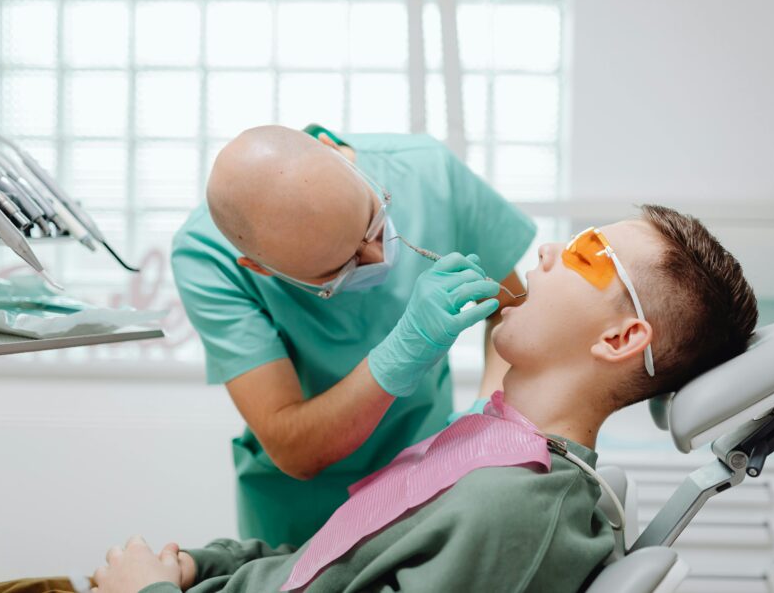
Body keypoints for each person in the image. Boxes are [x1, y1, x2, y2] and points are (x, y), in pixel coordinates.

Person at [0, 205, 754, 593]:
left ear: (620, 340)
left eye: (584, 254)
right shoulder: (488, 449)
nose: (543, 252)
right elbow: (331, 562)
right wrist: (204, 564)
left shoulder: (522, 513)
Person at [170, 124, 535, 546]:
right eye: (342, 267)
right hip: (304, 512)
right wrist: (401, 350)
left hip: (428, 470)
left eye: (374, 221)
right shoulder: (206, 257)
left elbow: (511, 305)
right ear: (261, 268)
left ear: (337, 153)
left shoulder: (428, 172)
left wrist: (485, 410)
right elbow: (292, 445)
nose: (379, 256)